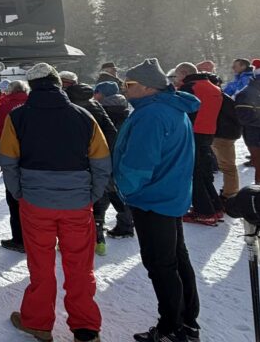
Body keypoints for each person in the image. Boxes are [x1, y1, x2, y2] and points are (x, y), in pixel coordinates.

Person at [0, 64, 110, 342]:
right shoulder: (83, 116)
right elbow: (101, 161)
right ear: (58, 84)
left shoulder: (17, 117)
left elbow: (8, 161)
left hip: (35, 203)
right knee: (80, 266)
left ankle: (38, 322)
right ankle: (85, 328)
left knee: (41, 265)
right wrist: (92, 194)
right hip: (77, 203)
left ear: (32, 86)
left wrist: (19, 192)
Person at [113, 59, 201, 342]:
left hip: (152, 198)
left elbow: (139, 163)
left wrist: (124, 189)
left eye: (129, 84)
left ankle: (171, 329)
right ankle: (187, 322)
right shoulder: (171, 107)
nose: (124, 89)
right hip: (170, 194)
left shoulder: (151, 115)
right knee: (177, 259)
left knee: (161, 264)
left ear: (149, 87)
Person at [66, 80, 119, 256]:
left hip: (80, 162)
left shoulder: (72, 110)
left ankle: (76, 241)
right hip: (101, 159)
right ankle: (99, 240)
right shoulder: (96, 106)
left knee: (77, 201)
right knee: (99, 197)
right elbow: (111, 132)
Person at [173, 63, 224, 225]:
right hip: (208, 132)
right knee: (203, 173)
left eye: (176, 75)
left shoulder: (190, 88)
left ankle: (204, 211)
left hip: (192, 132)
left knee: (194, 174)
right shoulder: (212, 86)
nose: (176, 79)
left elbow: (182, 111)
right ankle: (215, 207)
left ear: (184, 73)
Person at [0, 80, 29, 253]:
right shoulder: (35, 102)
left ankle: (20, 239)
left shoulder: (5, 107)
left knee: (15, 200)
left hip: (13, 160)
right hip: (38, 160)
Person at [93, 81, 135, 238]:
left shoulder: (103, 110)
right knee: (109, 190)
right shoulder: (123, 107)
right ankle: (106, 221)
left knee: (110, 191)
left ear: (101, 94)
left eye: (96, 92)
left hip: (108, 155)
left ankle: (125, 224)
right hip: (122, 155)